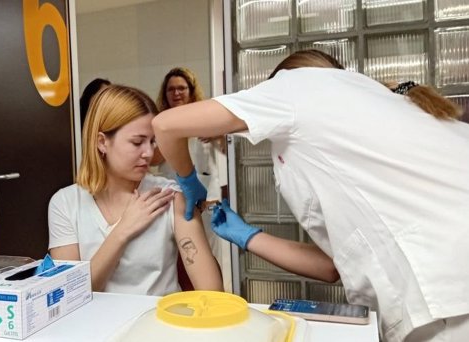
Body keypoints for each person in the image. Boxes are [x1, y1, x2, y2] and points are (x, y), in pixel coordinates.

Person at [152, 50, 469, 342]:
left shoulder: (298, 84)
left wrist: (188, 181)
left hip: (447, 292)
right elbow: (333, 267)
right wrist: (248, 236)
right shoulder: (383, 109)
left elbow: (166, 125)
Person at [48, 84, 222, 296]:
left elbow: (212, 292)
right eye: (137, 142)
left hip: (159, 324)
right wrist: (123, 230)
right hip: (95, 327)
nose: (149, 153)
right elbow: (68, 295)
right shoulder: (65, 203)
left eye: (152, 142)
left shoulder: (169, 197)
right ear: (102, 142)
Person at [154, 67, 226, 290]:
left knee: (208, 253)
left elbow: (227, 150)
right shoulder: (160, 123)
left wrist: (217, 132)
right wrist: (170, 135)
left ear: (191, 90)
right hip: (173, 197)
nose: (176, 93)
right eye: (171, 89)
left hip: (207, 197)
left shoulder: (206, 119)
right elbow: (154, 158)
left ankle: (211, 296)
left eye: (182, 88)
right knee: (178, 254)